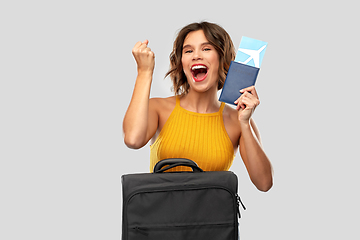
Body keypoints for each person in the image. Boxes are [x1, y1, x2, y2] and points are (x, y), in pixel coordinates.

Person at [123, 21, 273, 192]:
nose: (196, 56)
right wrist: (144, 72)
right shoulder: (158, 108)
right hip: (162, 217)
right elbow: (133, 140)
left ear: (221, 58)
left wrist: (245, 123)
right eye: (188, 50)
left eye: (206, 49)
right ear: (182, 63)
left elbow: (264, 183)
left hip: (213, 218)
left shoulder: (238, 120)